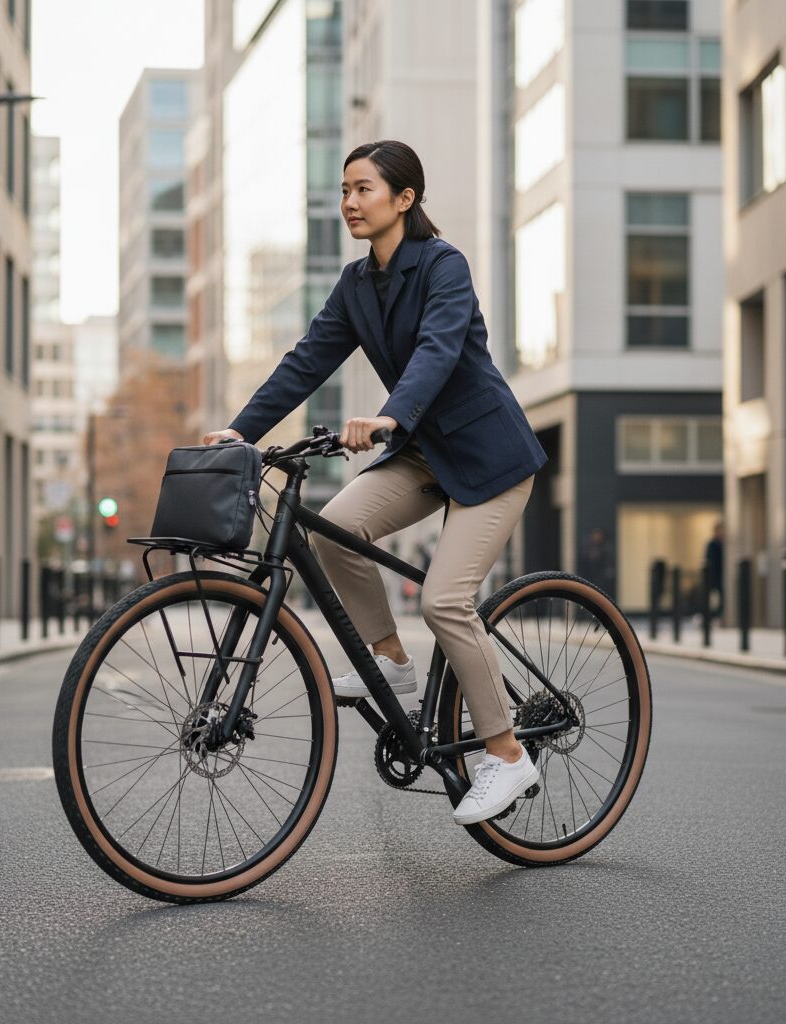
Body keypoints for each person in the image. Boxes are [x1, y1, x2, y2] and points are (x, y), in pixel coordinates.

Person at [203, 140, 548, 825]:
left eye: (363, 189)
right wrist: (242, 430)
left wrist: (391, 415)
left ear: (405, 199)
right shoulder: (357, 285)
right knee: (336, 531)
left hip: (490, 458)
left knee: (448, 603)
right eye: (344, 190)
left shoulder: (442, 266)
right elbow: (306, 361)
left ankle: (508, 756)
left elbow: (438, 349)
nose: (350, 203)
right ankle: (389, 661)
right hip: (425, 455)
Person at [705, 520, 724, 618]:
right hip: (712, 576)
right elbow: (708, 560)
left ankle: (720, 616)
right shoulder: (711, 545)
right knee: (710, 598)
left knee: (722, 598)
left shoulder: (724, 545)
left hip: (722, 576)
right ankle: (709, 617)